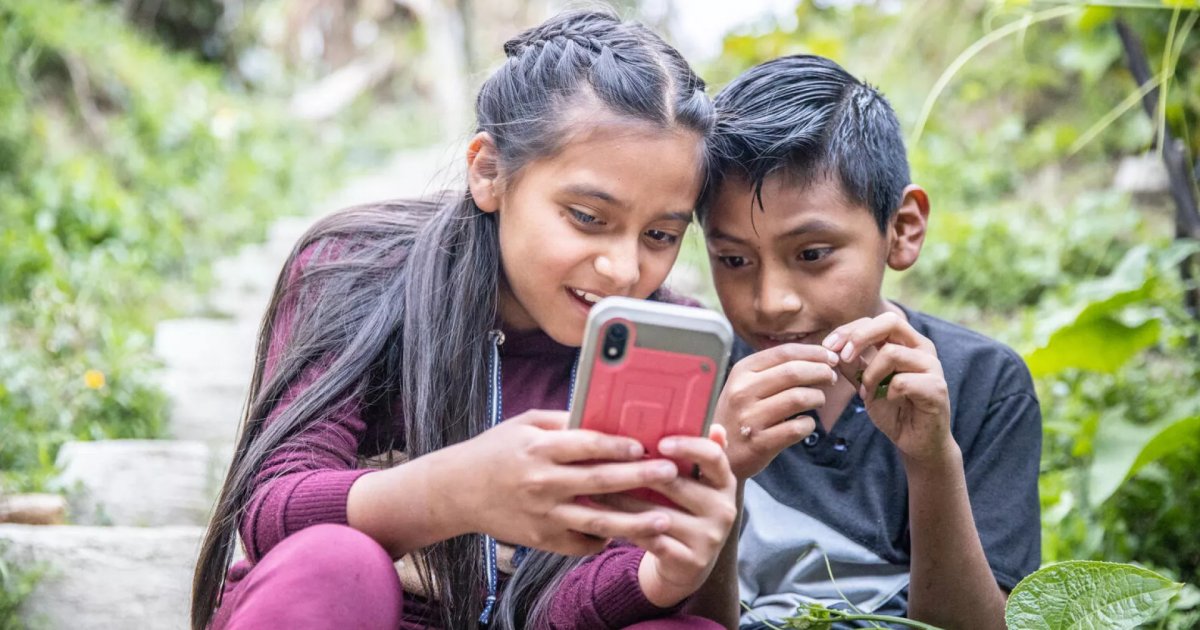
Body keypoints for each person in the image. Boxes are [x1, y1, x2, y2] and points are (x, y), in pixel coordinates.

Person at [189, 11, 738, 630]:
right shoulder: (358, 267)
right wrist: (456, 490)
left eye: (660, 235)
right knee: (337, 564)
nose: (622, 269)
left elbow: (554, 612)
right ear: (489, 172)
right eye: (587, 217)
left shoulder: (666, 345)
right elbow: (269, 513)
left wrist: (661, 576)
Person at [689, 55, 1042, 629]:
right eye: (733, 260)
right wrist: (721, 477)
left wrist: (931, 460)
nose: (772, 301)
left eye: (811, 254)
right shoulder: (696, 379)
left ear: (902, 229)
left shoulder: (983, 383)